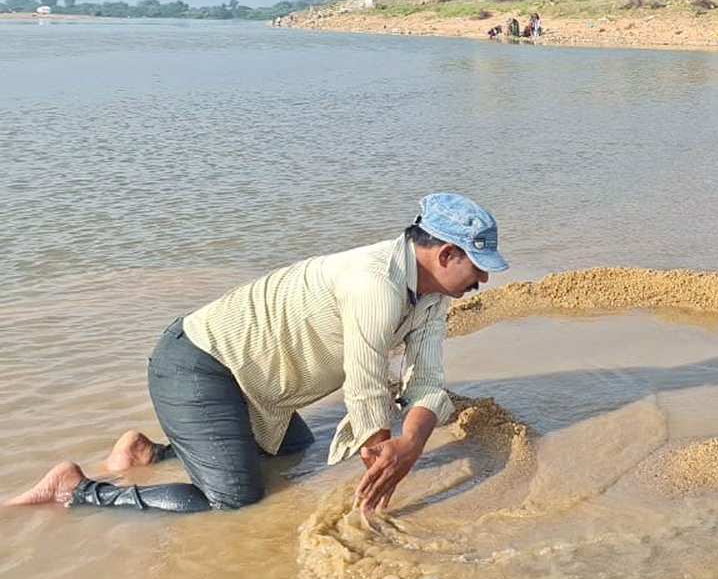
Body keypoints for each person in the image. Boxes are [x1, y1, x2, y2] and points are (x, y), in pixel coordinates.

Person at [5, 193, 508, 515]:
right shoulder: (374, 283)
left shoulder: (432, 297)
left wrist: (412, 445)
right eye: (477, 267)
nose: (482, 280)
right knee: (234, 500)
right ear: (445, 255)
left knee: (291, 450)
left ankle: (148, 453)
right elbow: (366, 385)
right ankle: (78, 488)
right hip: (198, 364)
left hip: (256, 387)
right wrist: (381, 458)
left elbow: (426, 384)